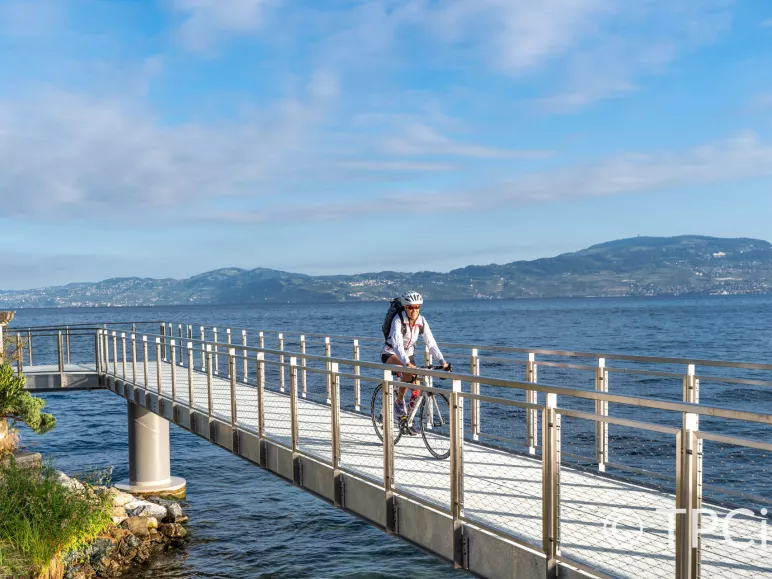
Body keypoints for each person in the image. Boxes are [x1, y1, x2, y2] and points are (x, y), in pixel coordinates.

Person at [381, 290, 450, 434]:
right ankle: (399, 402)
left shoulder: (422, 321)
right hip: (391, 353)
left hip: (408, 356)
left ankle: (408, 420)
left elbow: (431, 343)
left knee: (416, 390)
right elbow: (398, 345)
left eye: (417, 307)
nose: (414, 310)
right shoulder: (398, 320)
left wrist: (442, 361)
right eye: (411, 307)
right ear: (405, 307)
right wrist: (406, 363)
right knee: (409, 372)